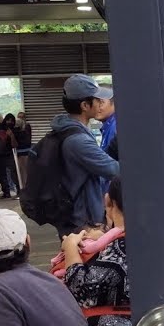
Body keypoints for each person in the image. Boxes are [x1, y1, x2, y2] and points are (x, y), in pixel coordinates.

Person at [62, 177, 131, 326]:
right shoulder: (147, 237)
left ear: (108, 202)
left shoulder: (120, 245)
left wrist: (70, 248)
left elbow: (82, 290)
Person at [46, 74, 119, 238]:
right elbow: (115, 170)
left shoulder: (68, 130)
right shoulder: (78, 140)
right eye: (97, 99)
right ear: (85, 105)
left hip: (76, 217)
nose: (100, 103)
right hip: (83, 222)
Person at [0, 113, 20, 198]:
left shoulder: (14, 130)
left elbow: (15, 144)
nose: (9, 122)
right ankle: (6, 191)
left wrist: (11, 136)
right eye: (8, 120)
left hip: (7, 154)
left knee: (13, 173)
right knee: (1, 174)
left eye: (11, 120)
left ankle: (16, 191)